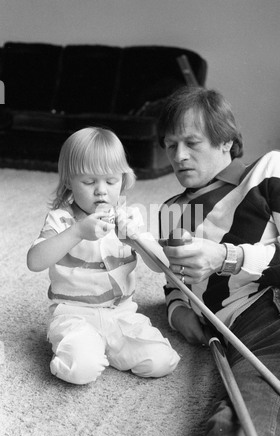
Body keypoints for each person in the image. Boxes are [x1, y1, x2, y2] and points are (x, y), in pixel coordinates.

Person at [157, 85, 280, 436]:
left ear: (225, 142)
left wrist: (224, 257)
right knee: (231, 431)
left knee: (247, 431)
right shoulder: (171, 211)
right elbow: (175, 279)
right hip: (235, 332)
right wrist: (176, 310)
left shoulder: (270, 169)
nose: (179, 155)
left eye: (192, 142)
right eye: (171, 145)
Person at [27, 126, 180, 386]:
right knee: (79, 370)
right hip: (74, 314)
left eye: (111, 181)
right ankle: (84, 348)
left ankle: (106, 348)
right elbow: (34, 261)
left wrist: (137, 238)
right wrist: (77, 232)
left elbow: (162, 267)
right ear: (68, 182)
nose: (101, 191)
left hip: (121, 314)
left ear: (123, 179)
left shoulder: (129, 216)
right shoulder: (62, 220)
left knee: (163, 361)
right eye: (89, 182)